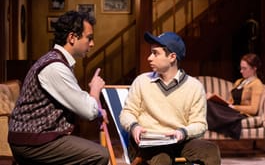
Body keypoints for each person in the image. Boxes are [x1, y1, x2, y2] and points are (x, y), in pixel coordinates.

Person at [8, 11, 109, 165]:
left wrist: (97, 109)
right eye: (89, 38)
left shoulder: (58, 61)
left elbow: (77, 100)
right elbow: (88, 111)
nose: (92, 44)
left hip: (36, 137)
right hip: (31, 141)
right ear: (72, 38)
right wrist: (95, 90)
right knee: (99, 155)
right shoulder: (55, 67)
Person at [119, 31, 221, 165]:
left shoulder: (194, 87)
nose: (149, 58)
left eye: (155, 53)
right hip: (148, 144)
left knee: (210, 150)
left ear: (172, 57)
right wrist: (134, 127)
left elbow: (200, 124)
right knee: (162, 159)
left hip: (179, 141)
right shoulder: (141, 81)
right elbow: (127, 113)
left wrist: (183, 132)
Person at [206, 53, 264, 139]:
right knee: (208, 103)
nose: (241, 71)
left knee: (210, 107)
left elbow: (253, 109)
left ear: (254, 69)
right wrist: (221, 101)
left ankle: (208, 124)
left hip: (241, 113)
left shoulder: (256, 84)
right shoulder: (239, 82)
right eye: (241, 68)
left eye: (244, 69)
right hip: (232, 110)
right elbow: (231, 101)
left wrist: (234, 107)